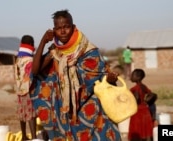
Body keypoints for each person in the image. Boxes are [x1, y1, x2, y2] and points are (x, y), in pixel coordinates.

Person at [30, 9, 121, 140]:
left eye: (66, 27)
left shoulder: (89, 50)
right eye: (58, 28)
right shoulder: (55, 52)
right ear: (53, 30)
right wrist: (43, 42)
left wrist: (110, 79)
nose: (62, 31)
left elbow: (100, 77)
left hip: (91, 107)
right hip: (66, 110)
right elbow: (34, 71)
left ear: (73, 27)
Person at [15, 35, 37, 140]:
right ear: (31, 45)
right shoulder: (30, 60)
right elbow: (33, 75)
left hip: (19, 90)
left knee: (22, 112)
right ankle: (34, 137)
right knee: (31, 114)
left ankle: (23, 135)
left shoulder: (18, 59)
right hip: (29, 90)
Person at [128, 69, 153, 141]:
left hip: (137, 111)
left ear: (138, 77)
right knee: (145, 130)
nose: (130, 77)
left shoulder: (135, 88)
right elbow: (151, 94)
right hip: (145, 110)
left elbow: (136, 97)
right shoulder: (144, 86)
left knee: (136, 130)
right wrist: (146, 101)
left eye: (132, 75)